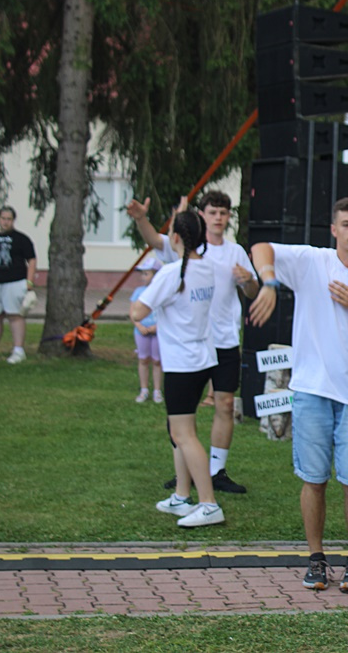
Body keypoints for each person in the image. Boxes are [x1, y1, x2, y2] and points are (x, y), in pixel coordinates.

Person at [248, 197, 348, 593]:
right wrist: (269, 282)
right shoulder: (312, 261)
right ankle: (316, 559)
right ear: (334, 229)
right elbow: (261, 248)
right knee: (313, 479)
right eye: (346, 224)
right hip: (311, 391)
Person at [128, 191, 259, 494]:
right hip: (194, 345)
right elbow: (156, 240)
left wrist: (249, 281)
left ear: (228, 217)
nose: (218, 218)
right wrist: (142, 219)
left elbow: (251, 292)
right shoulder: (187, 252)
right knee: (185, 416)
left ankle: (215, 473)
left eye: (223, 213)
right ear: (202, 216)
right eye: (212, 212)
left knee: (222, 405)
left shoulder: (232, 253)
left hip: (223, 341)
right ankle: (186, 479)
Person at [132, 209, 226, 528]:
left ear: (175, 237)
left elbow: (137, 311)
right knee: (180, 430)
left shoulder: (172, 273)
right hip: (201, 360)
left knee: (183, 434)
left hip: (183, 365)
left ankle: (209, 504)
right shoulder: (206, 267)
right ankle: (181, 496)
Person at [0, 206, 37, 365]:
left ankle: (18, 351)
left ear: (13, 220)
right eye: (3, 218)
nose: (5, 222)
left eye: (9, 219)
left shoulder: (21, 239)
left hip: (15, 281)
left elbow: (31, 260)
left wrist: (29, 282)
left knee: (15, 315)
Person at [129, 257, 164, 404]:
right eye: (142, 274)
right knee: (143, 359)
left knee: (157, 361)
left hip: (157, 332)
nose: (143, 277)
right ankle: (144, 389)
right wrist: (139, 326)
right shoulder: (138, 292)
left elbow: (166, 314)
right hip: (141, 332)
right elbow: (133, 312)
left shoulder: (162, 292)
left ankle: (157, 390)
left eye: (146, 274)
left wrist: (157, 327)